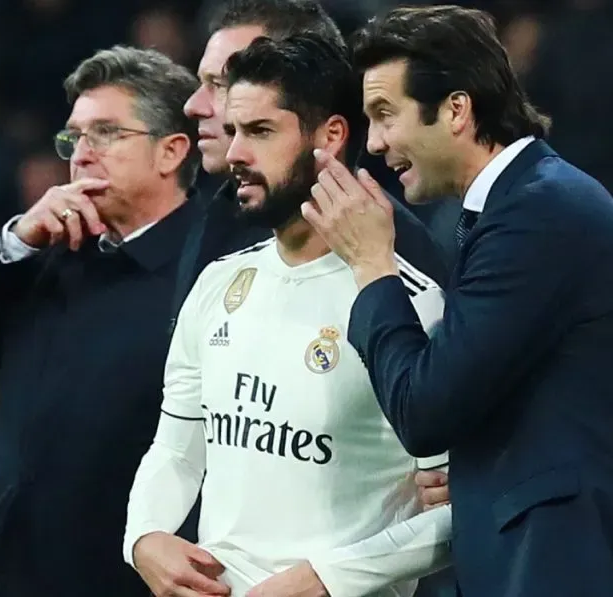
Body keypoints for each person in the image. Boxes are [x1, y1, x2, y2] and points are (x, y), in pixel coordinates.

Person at [303, 6, 613, 597]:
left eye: (384, 115)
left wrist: (373, 266)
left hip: (568, 567)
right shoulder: (524, 205)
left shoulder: (536, 214)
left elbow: (423, 411)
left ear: (456, 110)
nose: (374, 144)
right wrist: (477, 470)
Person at [124, 34, 453, 597]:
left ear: (330, 136)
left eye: (260, 132)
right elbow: (177, 448)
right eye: (233, 132)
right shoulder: (218, 283)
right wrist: (144, 536)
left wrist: (328, 578)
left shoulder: (415, 304)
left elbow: (457, 507)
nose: (234, 155)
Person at [0, 46, 200, 597]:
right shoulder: (44, 258)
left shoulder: (211, 273)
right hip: (5, 574)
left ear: (171, 152)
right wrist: (11, 242)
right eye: (74, 138)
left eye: (106, 133)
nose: (81, 155)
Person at [179, 0, 452, 520]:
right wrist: (147, 536)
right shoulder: (219, 217)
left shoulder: (400, 253)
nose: (199, 104)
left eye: (221, 82)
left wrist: (328, 576)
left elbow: (434, 484)